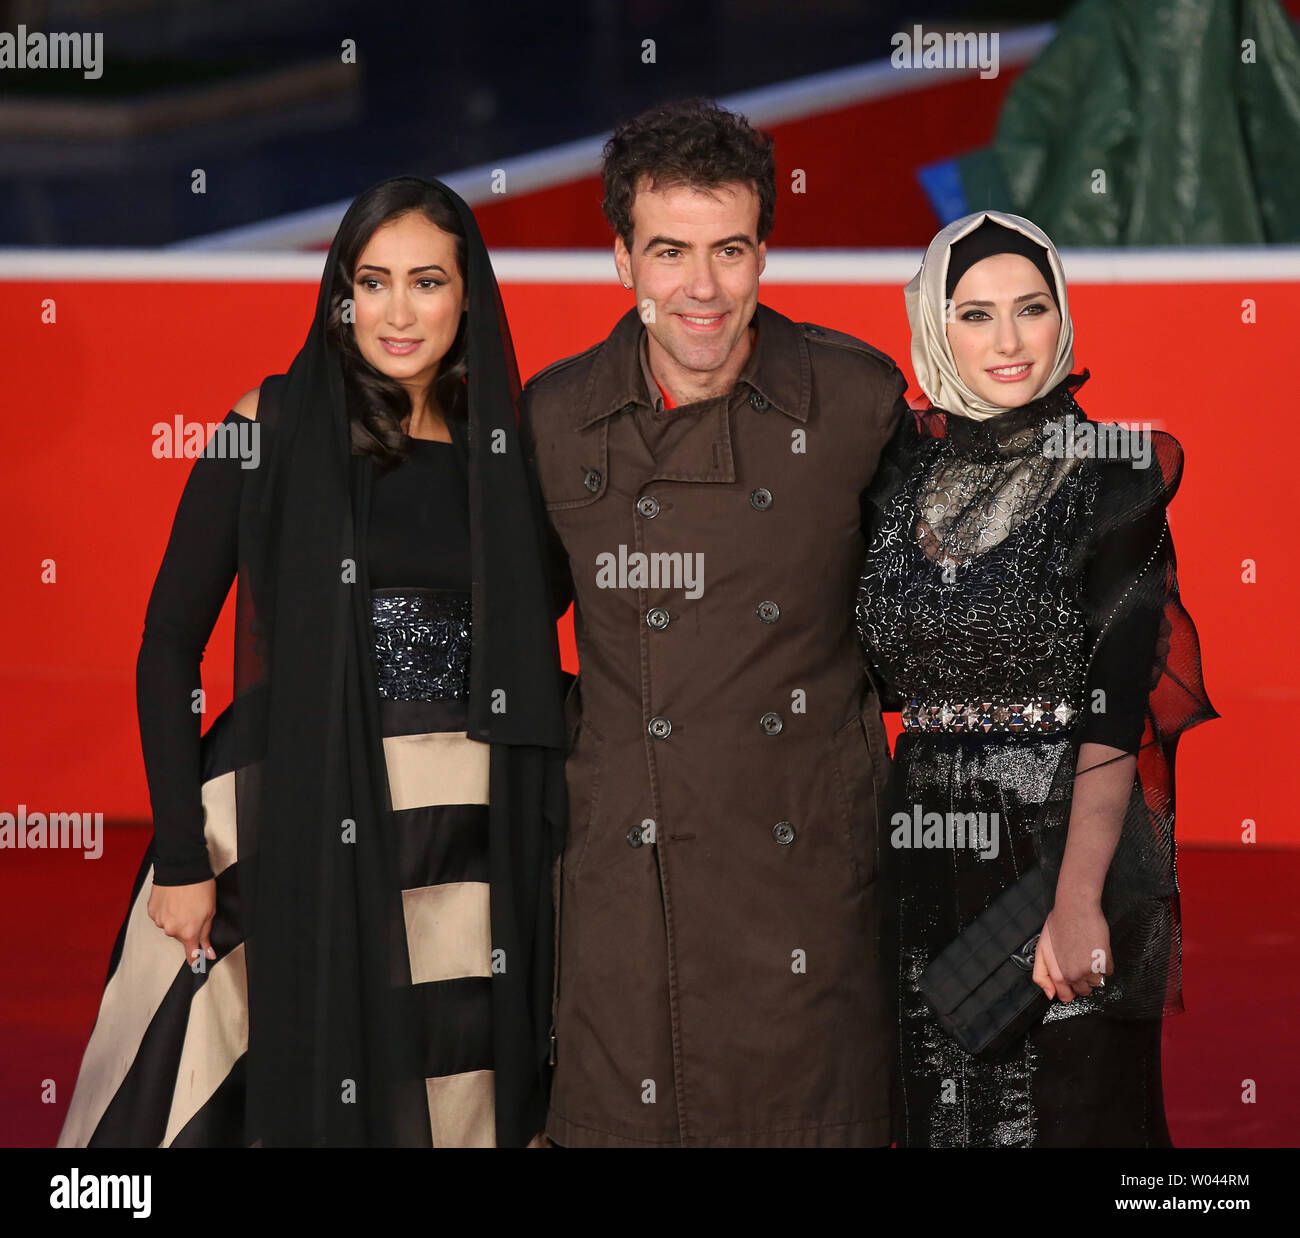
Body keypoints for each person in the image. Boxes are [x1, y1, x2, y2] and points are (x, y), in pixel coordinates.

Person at [58, 177, 567, 1148]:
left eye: (427, 280)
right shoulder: (271, 421)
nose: (399, 309)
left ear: (469, 294)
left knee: (449, 1088)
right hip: (286, 816)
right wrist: (176, 852)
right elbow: (169, 642)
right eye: (371, 282)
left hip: (464, 838)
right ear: (339, 296)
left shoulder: (507, 449)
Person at [520, 99, 910, 1147]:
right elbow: (501, 640)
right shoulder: (552, 419)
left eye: (729, 250)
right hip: (629, 890)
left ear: (762, 253)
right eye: (669, 252)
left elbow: (925, 626)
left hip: (807, 888)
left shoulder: (855, 398)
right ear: (620, 260)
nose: (701, 288)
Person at [855, 210, 1218, 1147]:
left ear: (1064, 316)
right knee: (939, 1110)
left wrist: (1077, 899)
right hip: (923, 843)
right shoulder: (897, 482)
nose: (1009, 341)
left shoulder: (1115, 477)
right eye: (974, 315)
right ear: (935, 326)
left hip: (1061, 840)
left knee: (1073, 1108)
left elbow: (1117, 701)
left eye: (1031, 309)